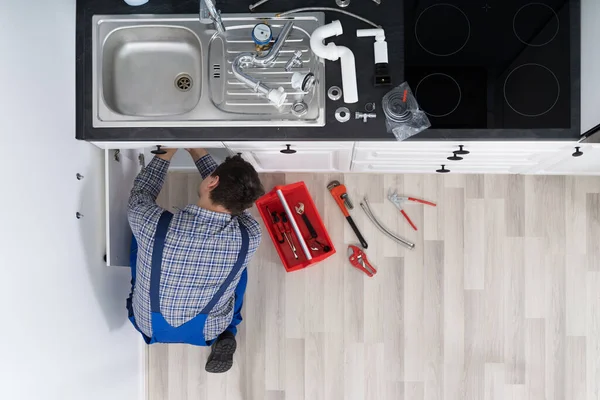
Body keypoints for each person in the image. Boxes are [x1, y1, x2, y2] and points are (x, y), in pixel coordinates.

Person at [126, 148, 265, 373]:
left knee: (140, 242)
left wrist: (183, 152)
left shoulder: (151, 225)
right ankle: (228, 331)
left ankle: (228, 330)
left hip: (152, 325)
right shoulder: (250, 234)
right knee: (238, 269)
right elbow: (234, 201)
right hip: (204, 329)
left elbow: (140, 193)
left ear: (213, 182)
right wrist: (176, 153)